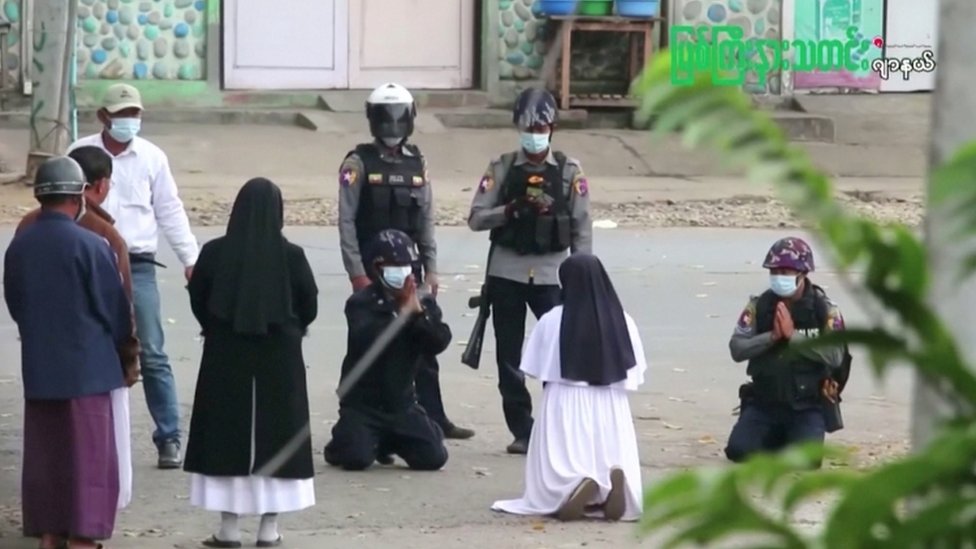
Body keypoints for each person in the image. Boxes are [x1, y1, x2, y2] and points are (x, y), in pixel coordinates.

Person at [68, 83, 200, 469]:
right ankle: (93, 437)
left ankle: (169, 436)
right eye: (122, 114)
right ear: (103, 117)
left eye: (135, 114)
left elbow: (169, 210)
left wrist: (190, 258)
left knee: (153, 352)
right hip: (90, 260)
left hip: (138, 264)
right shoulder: (80, 154)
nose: (130, 121)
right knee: (92, 349)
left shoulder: (152, 158)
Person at [5, 156, 133, 549]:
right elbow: (116, 309)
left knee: (48, 457)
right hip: (89, 369)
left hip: (41, 367)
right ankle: (83, 535)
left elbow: (16, 302)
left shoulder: (20, 244)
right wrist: (124, 353)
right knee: (88, 459)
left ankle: (49, 532)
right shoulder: (92, 245)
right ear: (78, 197)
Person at [184, 178, 319, 548]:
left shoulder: (213, 253)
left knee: (226, 440)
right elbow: (309, 305)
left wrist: (217, 328)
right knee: (276, 440)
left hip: (225, 358)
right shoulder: (291, 256)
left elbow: (199, 299)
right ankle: (269, 530)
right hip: (281, 361)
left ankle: (228, 529)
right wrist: (289, 331)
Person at [336, 82, 473, 441]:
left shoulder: (418, 162)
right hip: (374, 272)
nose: (392, 124)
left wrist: (432, 269)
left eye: (398, 116)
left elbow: (426, 220)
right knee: (369, 342)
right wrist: (357, 274)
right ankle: (367, 418)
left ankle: (434, 418)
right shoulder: (357, 163)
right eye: (386, 116)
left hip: (409, 272)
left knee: (423, 341)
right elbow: (346, 221)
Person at [467, 87, 593, 454]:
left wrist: (581, 278)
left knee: (559, 353)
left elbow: (582, 228)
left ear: (552, 128)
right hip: (507, 273)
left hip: (553, 275)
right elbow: (475, 217)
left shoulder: (570, 171)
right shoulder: (502, 168)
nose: (534, 134)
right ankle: (522, 429)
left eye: (540, 127)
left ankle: (558, 424)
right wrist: (509, 210)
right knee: (509, 355)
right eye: (527, 126)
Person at [491, 254, 647, 522]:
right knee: (608, 448)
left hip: (564, 399)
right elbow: (636, 370)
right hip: (611, 403)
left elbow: (532, 366)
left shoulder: (552, 320)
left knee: (561, 455)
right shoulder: (624, 321)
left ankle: (567, 489)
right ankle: (607, 488)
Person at [323, 229, 452, 472]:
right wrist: (401, 314)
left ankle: (395, 439)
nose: (404, 274)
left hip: (401, 404)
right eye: (396, 267)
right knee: (355, 458)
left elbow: (439, 341)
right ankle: (343, 441)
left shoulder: (422, 302)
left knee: (433, 458)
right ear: (378, 267)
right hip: (364, 405)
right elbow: (370, 338)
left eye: (408, 267)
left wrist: (417, 315)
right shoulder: (361, 302)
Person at [724, 237, 847, 466]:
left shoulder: (825, 309)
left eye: (786, 272)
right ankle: (774, 439)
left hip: (807, 405)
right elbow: (737, 348)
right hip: (764, 402)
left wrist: (793, 337)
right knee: (738, 451)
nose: (780, 277)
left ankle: (788, 440)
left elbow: (835, 355)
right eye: (775, 271)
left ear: (803, 274)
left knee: (806, 463)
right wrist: (772, 337)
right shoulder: (759, 306)